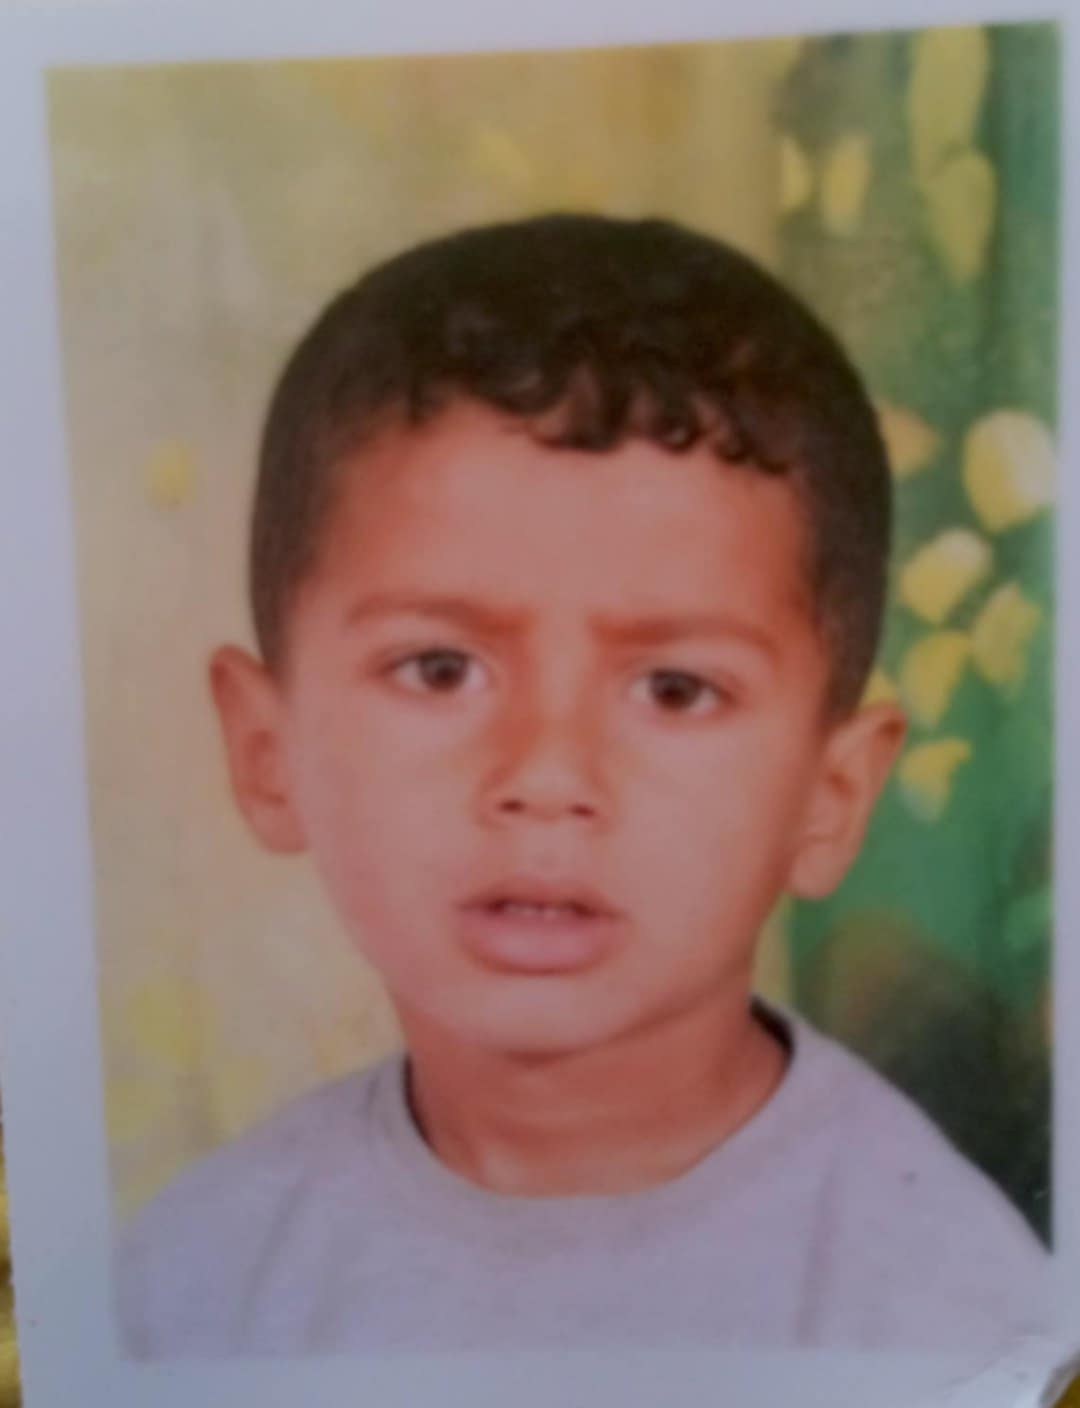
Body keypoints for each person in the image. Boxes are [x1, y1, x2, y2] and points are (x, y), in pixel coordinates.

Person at [116, 214, 1049, 1357]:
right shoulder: (185, 1284)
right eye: (441, 668)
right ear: (267, 749)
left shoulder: (960, 1322)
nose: (547, 775)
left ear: (832, 793)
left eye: (674, 688)